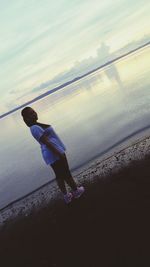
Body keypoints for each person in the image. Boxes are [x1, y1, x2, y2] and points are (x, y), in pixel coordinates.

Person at [21, 106, 85, 204]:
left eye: (33, 111)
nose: (34, 113)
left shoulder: (36, 125)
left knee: (59, 175)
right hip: (53, 152)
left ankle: (67, 196)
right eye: (31, 113)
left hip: (52, 152)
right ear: (26, 119)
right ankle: (76, 191)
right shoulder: (34, 128)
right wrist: (59, 153)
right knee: (66, 173)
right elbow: (47, 142)